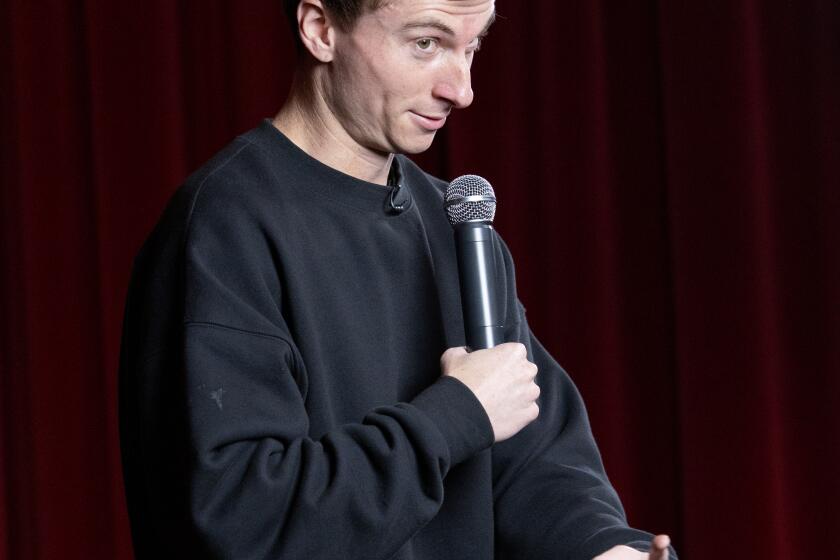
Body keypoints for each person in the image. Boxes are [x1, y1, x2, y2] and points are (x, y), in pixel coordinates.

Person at [118, 1, 677, 558]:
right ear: (320, 30)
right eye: (426, 44)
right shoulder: (224, 228)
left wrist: (600, 547)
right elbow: (243, 520)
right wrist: (453, 416)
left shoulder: (456, 226)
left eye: (472, 46)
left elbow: (531, 462)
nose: (461, 90)